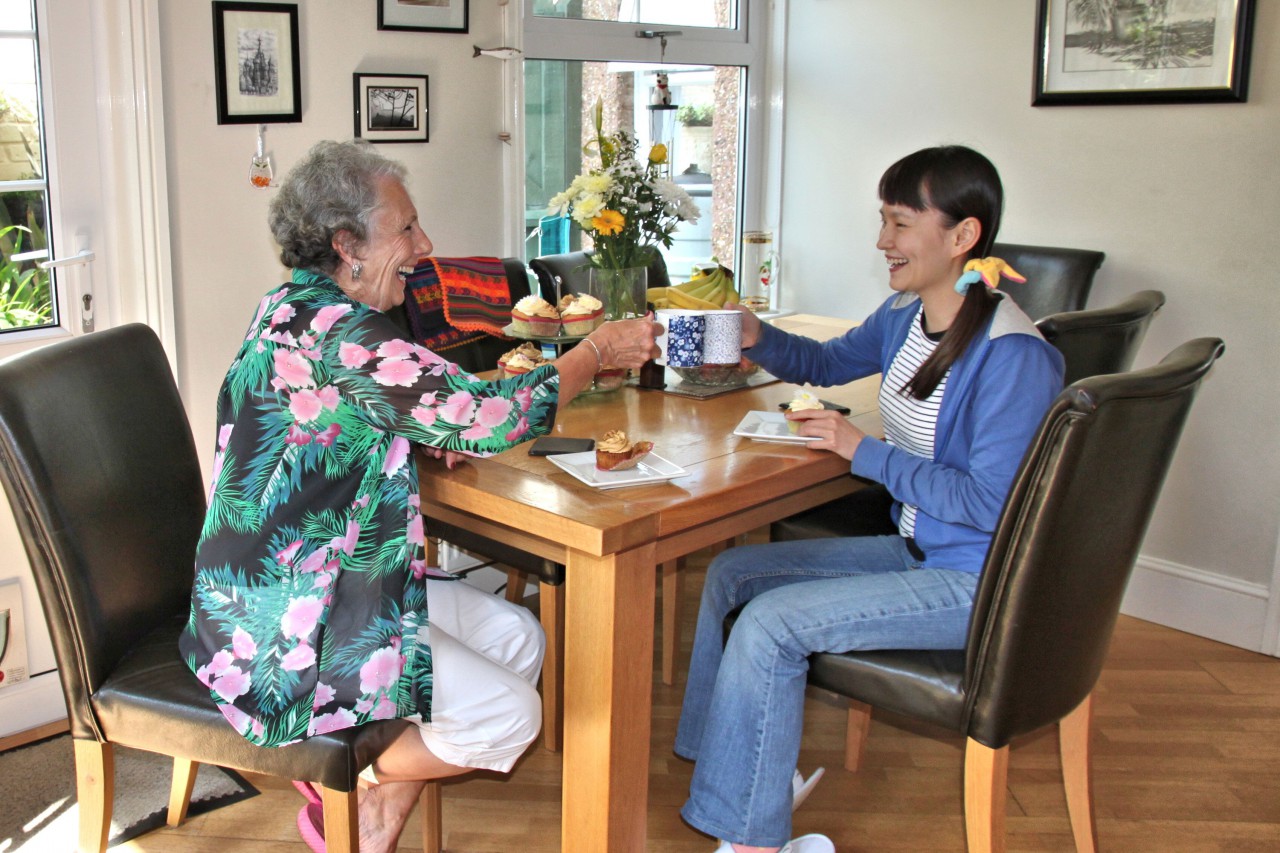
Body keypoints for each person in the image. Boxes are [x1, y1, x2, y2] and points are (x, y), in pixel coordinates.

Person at [178, 139, 660, 853]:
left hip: (312, 581)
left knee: (518, 636)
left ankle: (371, 824)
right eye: (405, 228)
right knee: (510, 717)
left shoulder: (291, 305)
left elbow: (336, 419)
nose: (424, 244)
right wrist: (595, 352)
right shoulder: (343, 333)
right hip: (287, 625)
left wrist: (417, 432)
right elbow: (491, 417)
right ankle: (339, 771)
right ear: (348, 246)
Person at [674, 146, 1065, 853]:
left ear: (963, 235)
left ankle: (750, 840)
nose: (883, 240)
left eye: (900, 223)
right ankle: (741, 776)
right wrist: (758, 336)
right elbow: (826, 363)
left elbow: (990, 503)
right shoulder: (906, 314)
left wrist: (863, 451)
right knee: (733, 575)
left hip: (979, 583)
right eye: (883, 220)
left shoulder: (1013, 354)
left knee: (769, 624)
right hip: (920, 549)